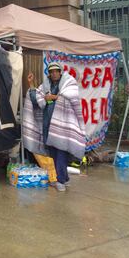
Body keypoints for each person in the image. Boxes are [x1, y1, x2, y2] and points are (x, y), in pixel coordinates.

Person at [26, 62, 85, 192]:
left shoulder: (68, 83)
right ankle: (65, 179)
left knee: (61, 152)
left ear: (60, 72)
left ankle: (60, 181)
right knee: (53, 153)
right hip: (48, 125)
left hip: (63, 126)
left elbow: (72, 97)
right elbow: (36, 99)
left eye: (56, 71)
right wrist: (31, 84)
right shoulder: (45, 85)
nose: (54, 74)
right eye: (51, 72)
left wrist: (54, 97)